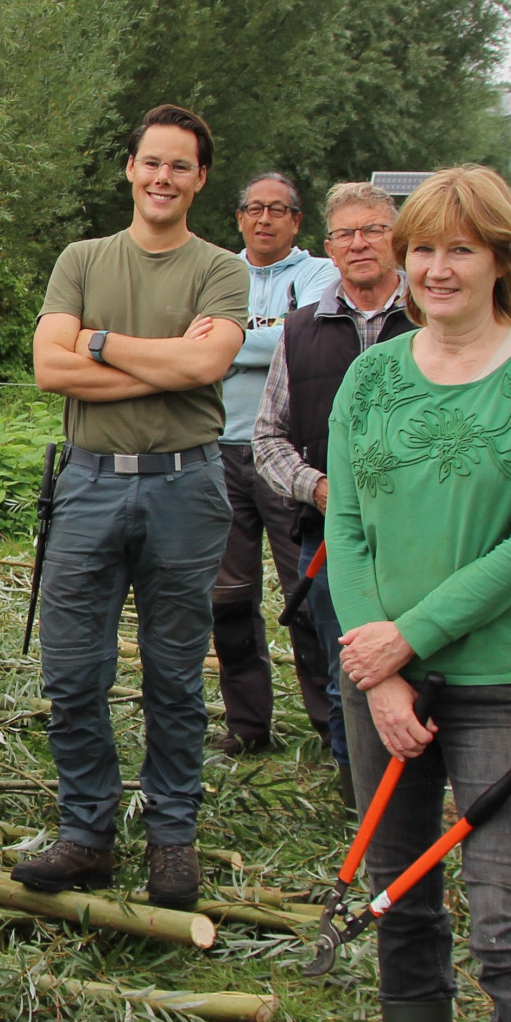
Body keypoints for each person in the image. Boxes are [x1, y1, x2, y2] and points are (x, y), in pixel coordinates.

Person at [329, 167, 511, 1022]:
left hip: (503, 683)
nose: (437, 271)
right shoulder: (370, 376)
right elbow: (347, 526)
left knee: (508, 919)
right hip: (380, 685)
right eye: (423, 251)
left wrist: (409, 639)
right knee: (397, 902)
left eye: (461, 250)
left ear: (501, 259)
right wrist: (381, 666)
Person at [18, 104, 249, 910]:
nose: (163, 177)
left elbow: (210, 360)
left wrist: (101, 342)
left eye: (180, 166)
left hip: (187, 487)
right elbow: (51, 369)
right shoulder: (82, 259)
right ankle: (86, 835)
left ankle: (172, 842)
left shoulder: (221, 268)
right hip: (86, 485)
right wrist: (172, 362)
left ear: (200, 178)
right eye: (152, 162)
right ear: (130, 168)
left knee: (176, 677)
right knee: (74, 674)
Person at [252, 181, 413, 809]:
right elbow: (267, 440)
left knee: (418, 660)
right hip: (332, 539)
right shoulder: (301, 330)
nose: (359, 243)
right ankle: (360, 793)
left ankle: (421, 784)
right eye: (346, 233)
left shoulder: (427, 317)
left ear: (396, 240)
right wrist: (319, 490)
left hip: (422, 538)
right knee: (348, 666)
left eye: (372, 230)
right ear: (328, 248)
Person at [211, 173, 338, 755]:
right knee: (229, 598)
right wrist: (269, 336)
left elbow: (307, 337)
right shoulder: (216, 270)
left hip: (290, 456)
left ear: (296, 220)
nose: (265, 219)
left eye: (278, 210)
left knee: (307, 593)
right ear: (239, 217)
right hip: (220, 449)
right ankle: (247, 728)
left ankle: (329, 726)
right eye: (253, 208)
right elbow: (191, 345)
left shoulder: (320, 274)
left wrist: (227, 342)